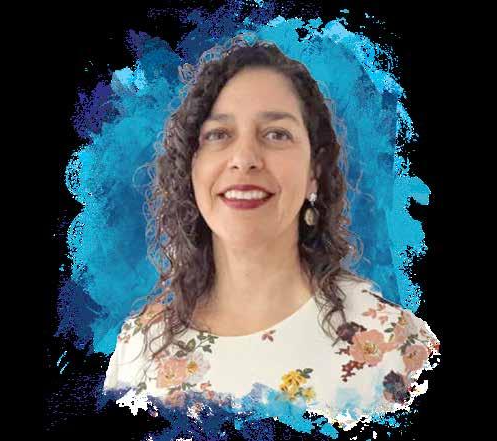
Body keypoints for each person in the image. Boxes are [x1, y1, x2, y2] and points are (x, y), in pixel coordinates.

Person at [103, 34, 440, 428]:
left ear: (314, 171)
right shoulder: (140, 351)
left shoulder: (399, 349)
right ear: (190, 169)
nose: (244, 158)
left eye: (277, 134)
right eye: (218, 134)